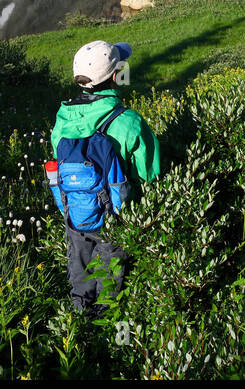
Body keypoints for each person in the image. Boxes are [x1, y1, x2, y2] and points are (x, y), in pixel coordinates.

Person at [50, 40, 161, 316]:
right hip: (116, 222)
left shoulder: (61, 121)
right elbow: (152, 175)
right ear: (114, 76)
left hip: (74, 217)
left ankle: (78, 333)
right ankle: (110, 338)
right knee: (111, 290)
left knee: (81, 280)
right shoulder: (129, 122)